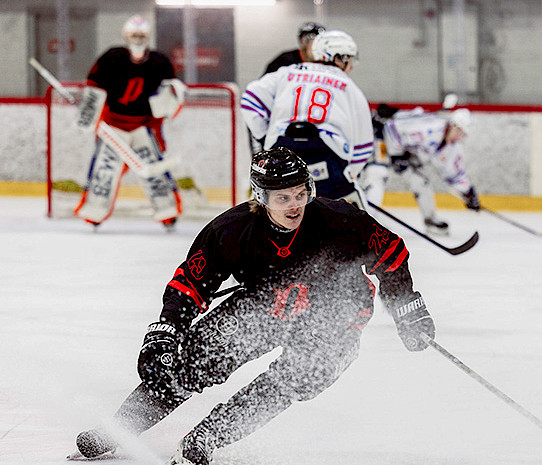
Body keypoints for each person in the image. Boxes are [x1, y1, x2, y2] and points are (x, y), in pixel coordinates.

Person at [69, 147, 436, 465]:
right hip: (266, 305)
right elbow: (190, 284)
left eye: (300, 193)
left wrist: (408, 308)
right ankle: (118, 429)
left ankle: (206, 439)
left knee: (293, 379)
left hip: (335, 316)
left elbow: (390, 254)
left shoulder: (339, 218)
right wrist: (166, 333)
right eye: (282, 198)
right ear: (261, 199)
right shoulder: (231, 230)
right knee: (190, 363)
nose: (295, 205)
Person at [73, 14, 186, 229]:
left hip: (142, 127)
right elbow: (94, 87)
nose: (137, 38)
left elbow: (165, 98)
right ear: (126, 36)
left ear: (148, 36)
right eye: (134, 34)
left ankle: (167, 212)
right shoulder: (111, 58)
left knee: (154, 171)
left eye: (141, 34)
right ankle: (94, 212)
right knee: (104, 172)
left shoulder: (159, 62)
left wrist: (165, 113)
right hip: (113, 127)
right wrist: (89, 117)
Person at [241, 29, 373, 208]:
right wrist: (351, 173)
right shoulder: (348, 86)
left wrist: (266, 138)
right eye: (349, 59)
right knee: (355, 220)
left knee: (275, 213)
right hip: (328, 162)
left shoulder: (287, 73)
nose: (351, 66)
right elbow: (364, 144)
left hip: (282, 154)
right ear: (338, 58)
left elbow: (250, 100)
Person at [360, 104, 481, 235]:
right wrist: (396, 154)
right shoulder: (430, 128)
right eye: (458, 131)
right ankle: (365, 221)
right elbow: (392, 128)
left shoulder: (451, 147)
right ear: (451, 125)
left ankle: (430, 220)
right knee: (378, 174)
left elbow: (453, 174)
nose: (459, 136)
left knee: (421, 180)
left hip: (405, 151)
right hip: (383, 137)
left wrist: (467, 192)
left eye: (462, 134)